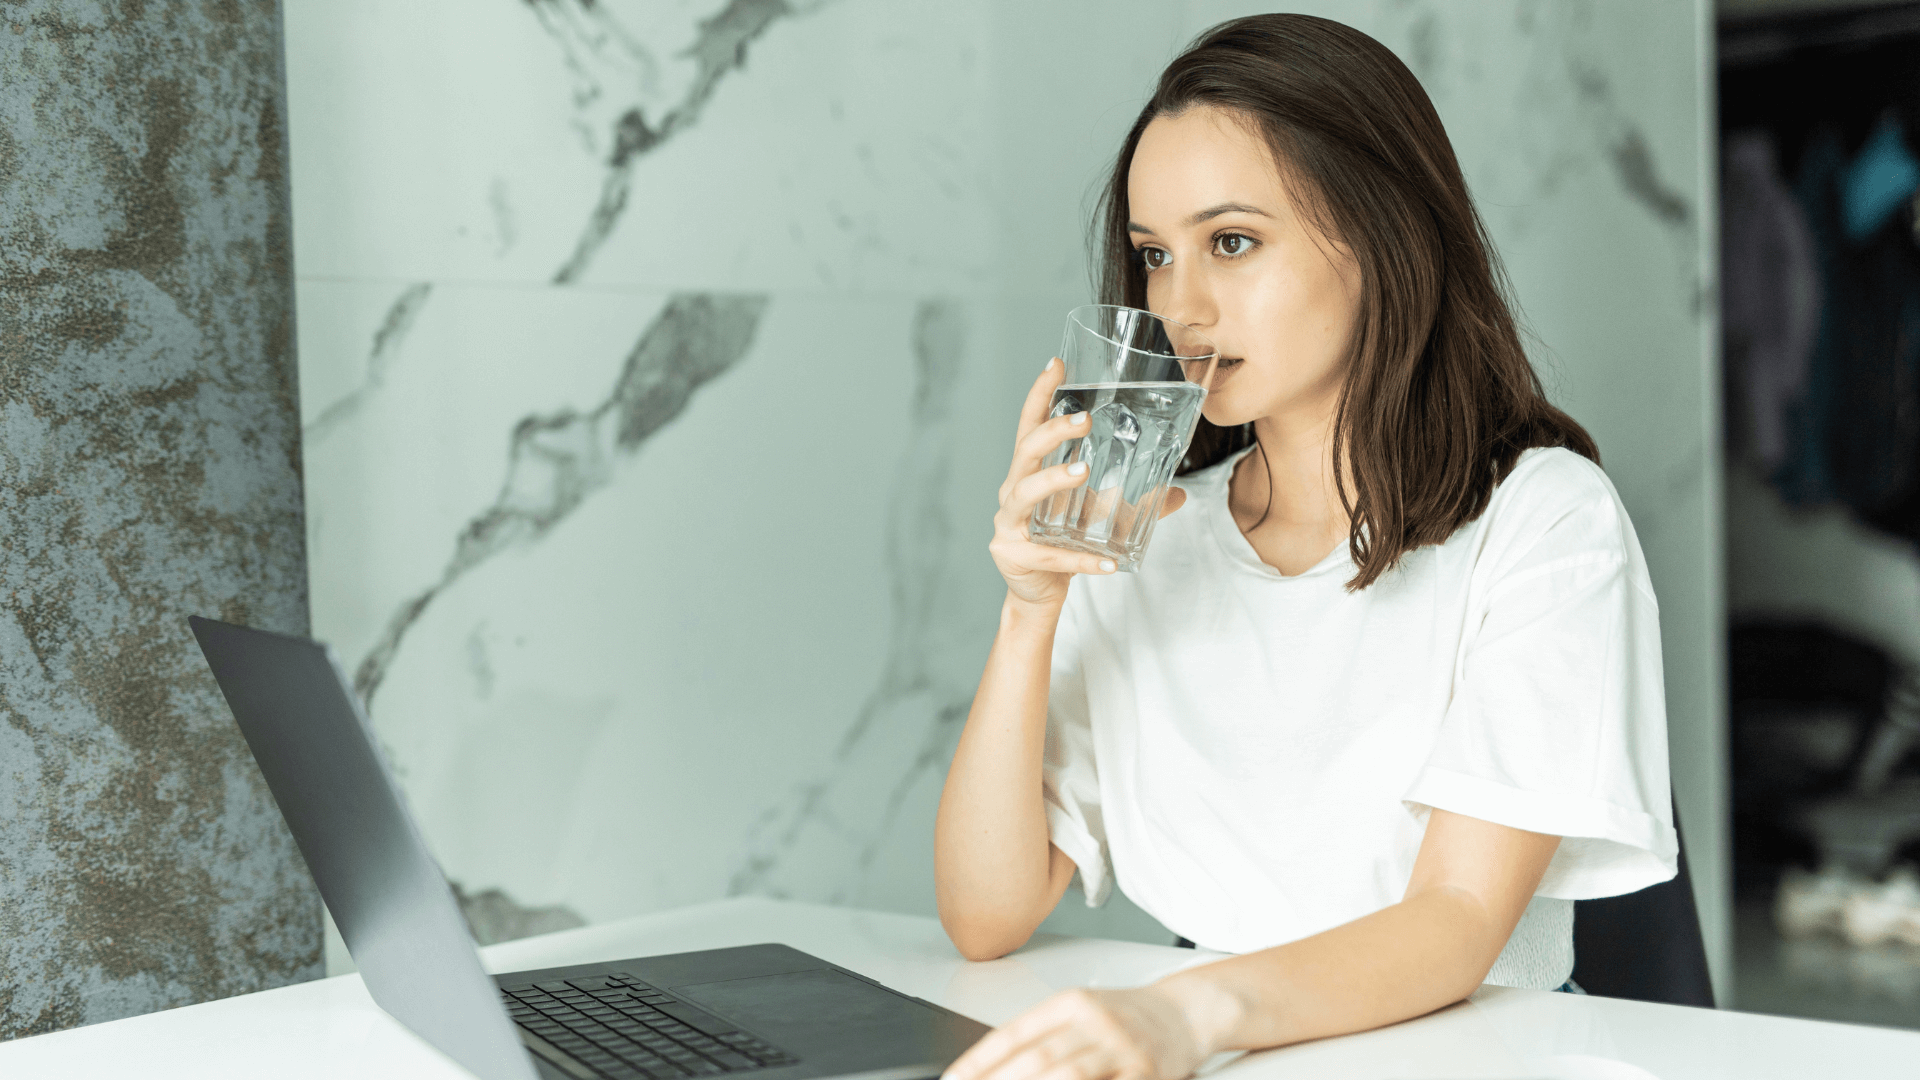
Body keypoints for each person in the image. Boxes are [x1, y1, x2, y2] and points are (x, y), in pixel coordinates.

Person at [933, 14, 1676, 1080]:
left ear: (1382, 236)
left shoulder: (1544, 522)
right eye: (1154, 256)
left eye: (1231, 241)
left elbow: (1458, 915)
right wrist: (1029, 608)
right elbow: (985, 913)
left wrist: (1184, 1015)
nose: (1179, 307)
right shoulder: (1150, 534)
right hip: (1223, 1048)